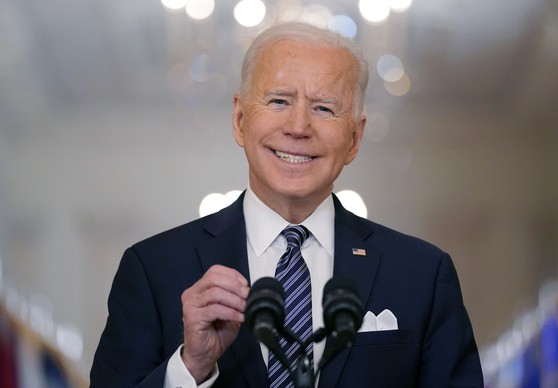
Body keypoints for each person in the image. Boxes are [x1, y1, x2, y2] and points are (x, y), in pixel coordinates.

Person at [90, 22, 483, 387]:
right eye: (279, 101)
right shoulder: (152, 270)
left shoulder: (423, 275)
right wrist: (190, 366)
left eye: (324, 108)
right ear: (240, 119)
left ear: (355, 138)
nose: (298, 127)